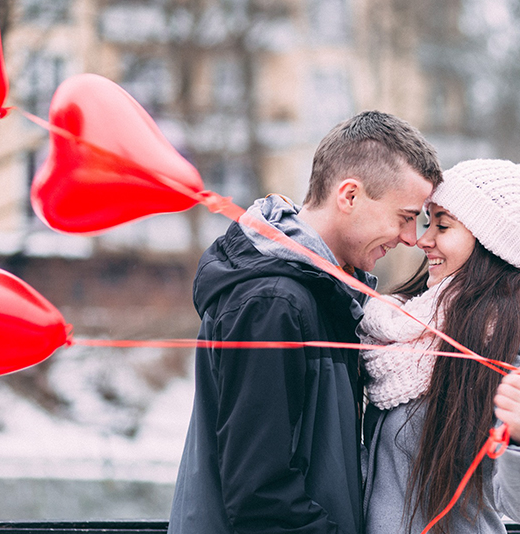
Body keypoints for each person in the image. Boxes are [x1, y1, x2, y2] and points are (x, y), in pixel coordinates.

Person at [168, 110, 443, 534]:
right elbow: (261, 497)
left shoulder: (323, 295)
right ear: (349, 196)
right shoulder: (274, 303)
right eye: (406, 217)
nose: (410, 238)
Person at [360, 158, 520, 533]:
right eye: (427, 221)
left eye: (443, 226)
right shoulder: (398, 333)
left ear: (490, 244)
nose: (423, 239)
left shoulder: (508, 352)